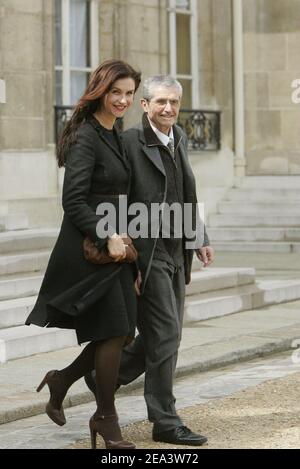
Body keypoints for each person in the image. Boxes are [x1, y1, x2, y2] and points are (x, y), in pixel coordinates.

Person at [84, 75, 215, 446]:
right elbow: (117, 202)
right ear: (145, 105)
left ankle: (102, 375)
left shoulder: (181, 138)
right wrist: (130, 263)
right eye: (160, 102)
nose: (169, 109)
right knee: (167, 334)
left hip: (177, 251)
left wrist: (199, 237)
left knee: (165, 336)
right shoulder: (128, 143)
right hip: (148, 252)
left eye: (174, 102)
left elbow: (187, 192)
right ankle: (165, 420)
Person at [25, 59, 141, 450]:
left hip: (116, 252)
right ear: (101, 90)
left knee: (123, 332)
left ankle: (62, 380)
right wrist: (107, 234)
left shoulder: (114, 132)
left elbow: (117, 197)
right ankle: (105, 418)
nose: (123, 100)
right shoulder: (86, 135)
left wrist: (129, 249)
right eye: (116, 92)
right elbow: (72, 200)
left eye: (128, 93)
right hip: (89, 252)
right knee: (112, 332)